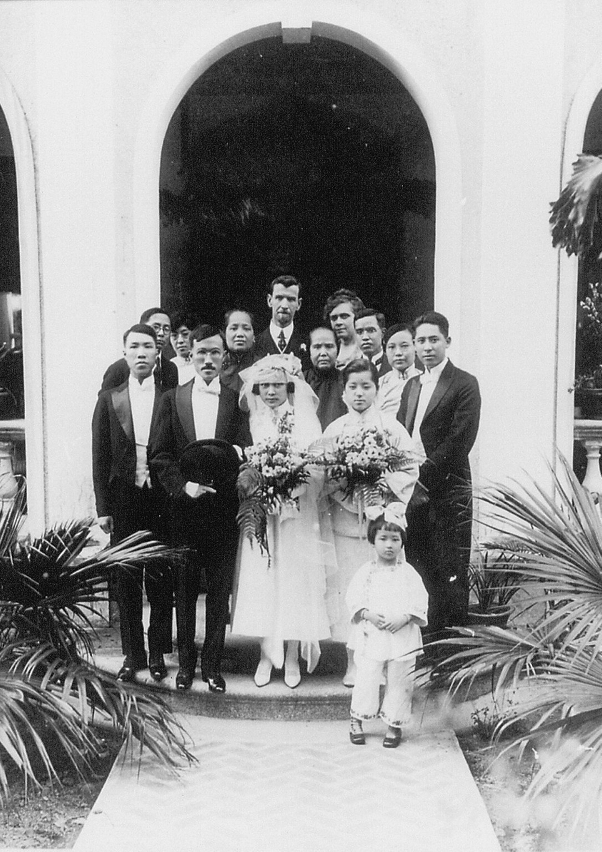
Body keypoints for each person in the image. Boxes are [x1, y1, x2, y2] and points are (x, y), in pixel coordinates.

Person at [149, 324, 251, 692]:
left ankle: (211, 666)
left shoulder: (236, 400)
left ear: (224, 357)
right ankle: (186, 665)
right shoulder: (171, 399)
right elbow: (158, 455)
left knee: (219, 590)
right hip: (185, 511)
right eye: (201, 353)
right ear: (189, 355)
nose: (208, 360)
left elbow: (245, 447)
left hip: (223, 509)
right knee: (185, 588)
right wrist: (184, 486)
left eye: (214, 353)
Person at [231, 354, 333, 689]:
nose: (271, 391)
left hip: (297, 513)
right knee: (265, 579)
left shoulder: (304, 420)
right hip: (264, 512)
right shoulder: (254, 421)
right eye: (264, 386)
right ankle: (265, 654)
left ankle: (290, 655)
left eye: (277, 384)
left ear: (290, 386)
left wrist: (290, 483)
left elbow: (316, 466)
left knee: (293, 579)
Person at [321, 359, 418, 686]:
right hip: (348, 526)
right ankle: (354, 662)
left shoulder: (391, 428)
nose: (359, 393)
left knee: (387, 595)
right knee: (354, 593)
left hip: (384, 529)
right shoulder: (335, 430)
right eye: (353, 387)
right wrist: (356, 500)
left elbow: (409, 469)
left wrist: (381, 499)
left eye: (366, 386)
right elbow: (328, 479)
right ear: (344, 391)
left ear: (377, 389)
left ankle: (388, 663)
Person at [92, 323, 173, 683]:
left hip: (160, 498)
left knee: (159, 577)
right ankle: (132, 654)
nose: (141, 353)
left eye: (148, 347)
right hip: (124, 498)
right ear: (124, 353)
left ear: (158, 354)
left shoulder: (170, 396)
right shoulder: (109, 399)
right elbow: (99, 456)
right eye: (134, 347)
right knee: (126, 580)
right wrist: (103, 508)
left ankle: (157, 653)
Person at [397, 311, 481, 646]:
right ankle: (424, 650)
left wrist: (422, 479)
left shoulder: (464, 383)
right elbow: (402, 435)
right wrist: (404, 480)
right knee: (418, 569)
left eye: (434, 339)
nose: (427, 347)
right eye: (421, 341)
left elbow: (460, 440)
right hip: (411, 492)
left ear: (448, 341)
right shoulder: (411, 385)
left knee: (450, 571)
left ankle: (450, 657)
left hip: (447, 491)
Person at [346, 505, 428, 748]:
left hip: (401, 635)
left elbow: (419, 599)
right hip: (373, 634)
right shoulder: (366, 572)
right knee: (367, 676)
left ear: (402, 542)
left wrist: (405, 617)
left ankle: (394, 723)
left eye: (395, 539)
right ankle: (356, 720)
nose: (389, 545)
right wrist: (368, 614)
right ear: (373, 540)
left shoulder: (408, 573)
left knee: (400, 679)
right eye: (383, 538)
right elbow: (354, 597)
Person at [100, 307, 178, 392]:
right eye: (156, 327)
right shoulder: (118, 369)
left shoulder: (171, 368)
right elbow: (106, 402)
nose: (161, 333)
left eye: (166, 329)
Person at [254, 275, 307, 362]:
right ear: (269, 300)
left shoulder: (307, 343)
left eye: (291, 299)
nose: (284, 305)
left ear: (299, 304)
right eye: (279, 298)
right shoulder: (255, 344)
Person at [304, 326, 347, 429]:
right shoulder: (301, 381)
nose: (323, 353)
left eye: (329, 346)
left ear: (338, 349)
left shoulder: (346, 382)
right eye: (317, 347)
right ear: (309, 350)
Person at [376, 323, 422, 415]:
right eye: (391, 347)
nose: (398, 353)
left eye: (404, 346)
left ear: (415, 347)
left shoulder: (424, 380)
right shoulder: (379, 384)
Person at [322, 288, 364, 369]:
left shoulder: (366, 348)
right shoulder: (327, 349)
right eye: (334, 318)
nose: (338, 322)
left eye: (344, 316)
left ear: (357, 316)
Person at [221, 308, 257, 391]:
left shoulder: (262, 367)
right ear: (225, 334)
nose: (240, 334)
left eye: (246, 328)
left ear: (254, 336)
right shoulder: (217, 368)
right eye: (234, 328)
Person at [354, 308, 391, 376]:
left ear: (383, 333)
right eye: (359, 332)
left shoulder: (395, 366)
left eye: (371, 330)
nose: (365, 337)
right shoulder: (348, 372)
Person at [170, 311, 198, 384]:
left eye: (185, 334)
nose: (180, 341)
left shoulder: (202, 363)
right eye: (174, 336)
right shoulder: (168, 367)